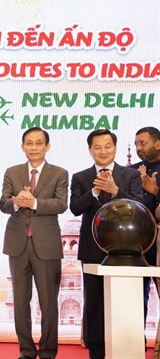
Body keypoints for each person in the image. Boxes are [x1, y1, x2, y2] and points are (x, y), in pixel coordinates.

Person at [69, 128, 143, 359]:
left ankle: (127, 349)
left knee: (126, 303)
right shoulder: (80, 177)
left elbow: (140, 207)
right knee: (93, 303)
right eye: (97, 147)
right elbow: (75, 208)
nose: (103, 151)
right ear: (90, 150)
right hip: (92, 248)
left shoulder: (130, 176)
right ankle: (96, 352)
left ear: (115, 148)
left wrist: (115, 191)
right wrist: (94, 191)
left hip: (126, 250)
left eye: (107, 146)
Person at [0, 127, 68, 359]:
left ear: (47, 146)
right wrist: (17, 202)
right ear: (22, 147)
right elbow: (3, 204)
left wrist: (34, 202)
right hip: (17, 243)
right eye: (29, 143)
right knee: (20, 301)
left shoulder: (59, 173)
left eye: (39, 143)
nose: (34, 147)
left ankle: (48, 351)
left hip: (47, 244)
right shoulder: (12, 172)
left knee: (48, 302)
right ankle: (26, 350)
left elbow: (61, 204)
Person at [130, 127, 160, 326]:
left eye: (143, 143)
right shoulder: (131, 172)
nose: (138, 148)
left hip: (159, 242)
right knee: (135, 298)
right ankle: (134, 341)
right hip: (137, 242)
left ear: (158, 144)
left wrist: (155, 191)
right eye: (136, 144)